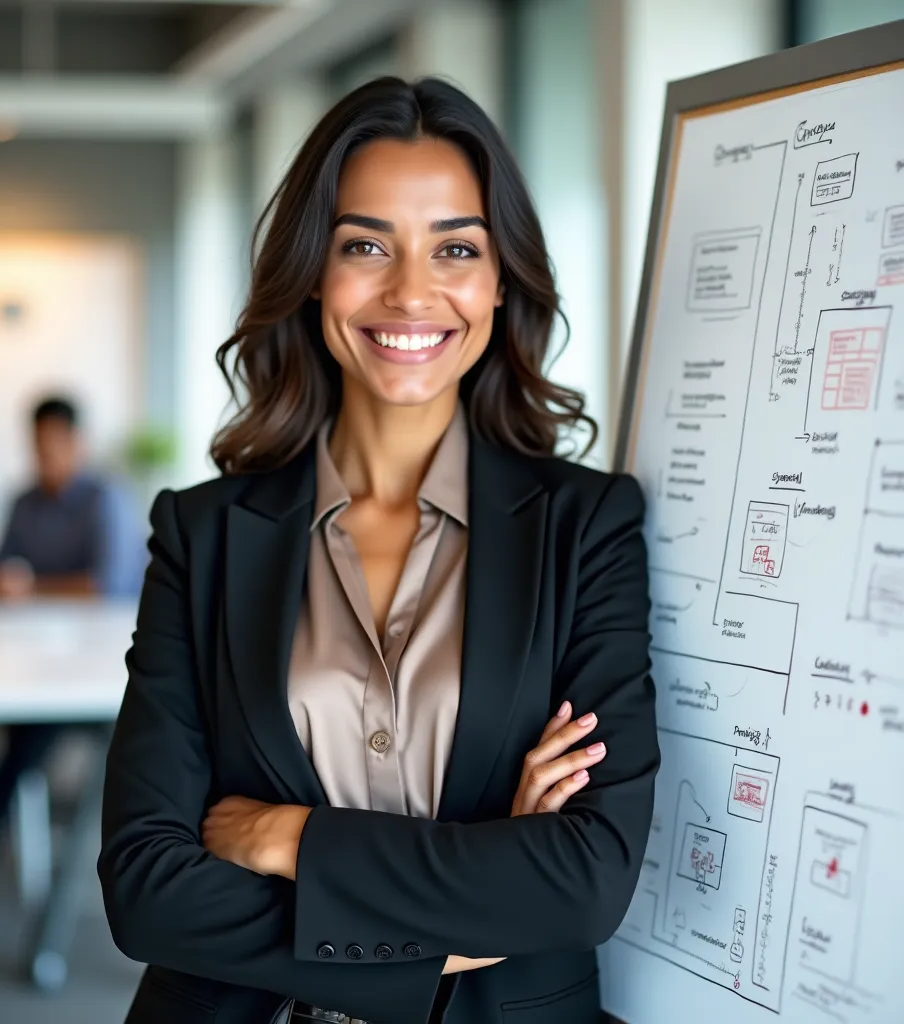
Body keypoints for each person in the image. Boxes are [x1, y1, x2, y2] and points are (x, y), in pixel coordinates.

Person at [99, 77, 659, 1024]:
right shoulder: (203, 536)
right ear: (314, 269)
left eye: (455, 248)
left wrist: (292, 838)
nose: (410, 291)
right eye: (366, 245)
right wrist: (461, 924)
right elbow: (148, 889)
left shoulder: (586, 528)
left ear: (499, 279)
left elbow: (584, 883)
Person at [0, 396, 143, 874]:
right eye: (37, 446)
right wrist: (2, 581)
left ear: (76, 443)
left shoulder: (105, 498)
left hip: (97, 664)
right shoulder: (22, 501)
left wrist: (30, 587)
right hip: (33, 656)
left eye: (53, 445)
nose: (44, 456)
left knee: (27, 735)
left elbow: (105, 585)